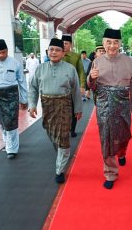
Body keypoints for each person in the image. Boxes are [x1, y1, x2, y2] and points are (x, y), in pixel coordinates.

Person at [88, 28, 132, 189]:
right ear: (104, 43)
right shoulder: (96, 62)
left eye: (115, 42)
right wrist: (92, 78)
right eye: (108, 42)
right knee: (107, 137)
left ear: (120, 43)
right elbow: (92, 86)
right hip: (104, 104)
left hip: (123, 103)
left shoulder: (128, 61)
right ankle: (110, 172)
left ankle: (122, 152)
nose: (112, 45)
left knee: (124, 134)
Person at [28, 38, 83, 183]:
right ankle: (62, 152)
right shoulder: (40, 68)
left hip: (64, 105)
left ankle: (60, 170)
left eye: (57, 50)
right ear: (47, 51)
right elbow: (33, 87)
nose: (54, 52)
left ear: (63, 53)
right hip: (47, 106)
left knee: (63, 137)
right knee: (52, 134)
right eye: (51, 49)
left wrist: (78, 108)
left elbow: (76, 90)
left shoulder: (70, 69)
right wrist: (32, 105)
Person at [62, 34, 86, 138]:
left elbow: (81, 71)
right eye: (62, 43)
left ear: (70, 45)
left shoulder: (76, 56)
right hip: (61, 88)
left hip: (73, 87)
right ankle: (64, 128)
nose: (64, 45)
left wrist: (82, 85)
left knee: (73, 109)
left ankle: (72, 129)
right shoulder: (58, 55)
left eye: (66, 43)